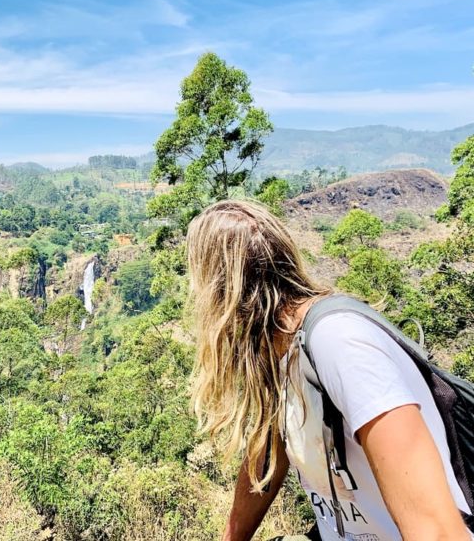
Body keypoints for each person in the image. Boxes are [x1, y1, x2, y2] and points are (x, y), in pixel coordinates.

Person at [185, 198, 472, 541]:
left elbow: (437, 530)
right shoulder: (284, 353)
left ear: (220, 292)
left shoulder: (340, 344)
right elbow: (266, 456)